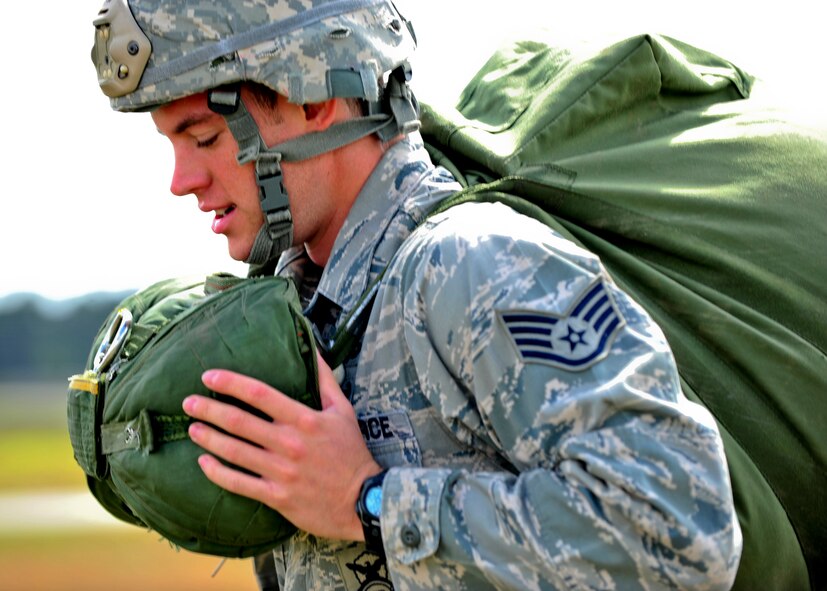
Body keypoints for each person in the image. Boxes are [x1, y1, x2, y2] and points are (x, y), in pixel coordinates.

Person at [90, 0, 742, 589]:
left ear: (312, 98)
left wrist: (368, 501)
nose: (181, 180)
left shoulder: (473, 265)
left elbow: (680, 530)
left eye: (203, 138)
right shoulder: (293, 305)